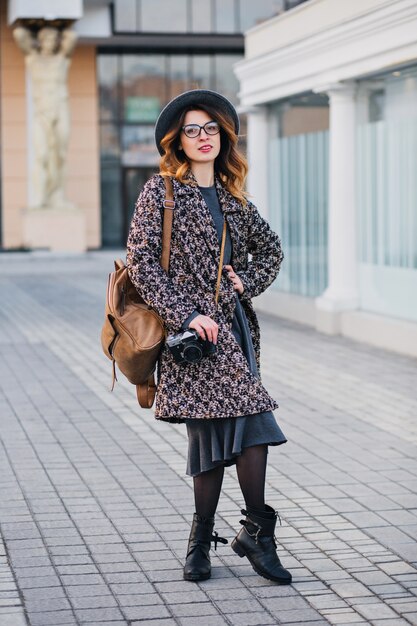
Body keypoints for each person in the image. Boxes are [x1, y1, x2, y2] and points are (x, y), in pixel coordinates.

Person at [126, 89, 291, 585]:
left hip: (234, 334)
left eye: (211, 129)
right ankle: (211, 538)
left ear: (224, 137)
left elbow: (271, 251)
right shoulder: (161, 192)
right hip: (193, 340)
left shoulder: (234, 197)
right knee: (213, 437)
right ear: (178, 141)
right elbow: (142, 264)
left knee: (249, 423)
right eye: (192, 130)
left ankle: (248, 533)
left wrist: (247, 280)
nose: (203, 137)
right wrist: (187, 315)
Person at [13, 26, 77, 208]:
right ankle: (40, 196)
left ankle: (59, 196)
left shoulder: (62, 60)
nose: (48, 43)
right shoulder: (33, 59)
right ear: (39, 41)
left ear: (57, 42)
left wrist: (58, 23)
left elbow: (72, 35)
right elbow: (19, 33)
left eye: (52, 40)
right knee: (41, 155)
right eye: (45, 39)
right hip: (41, 112)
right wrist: (35, 26)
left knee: (60, 155)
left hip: (60, 108)